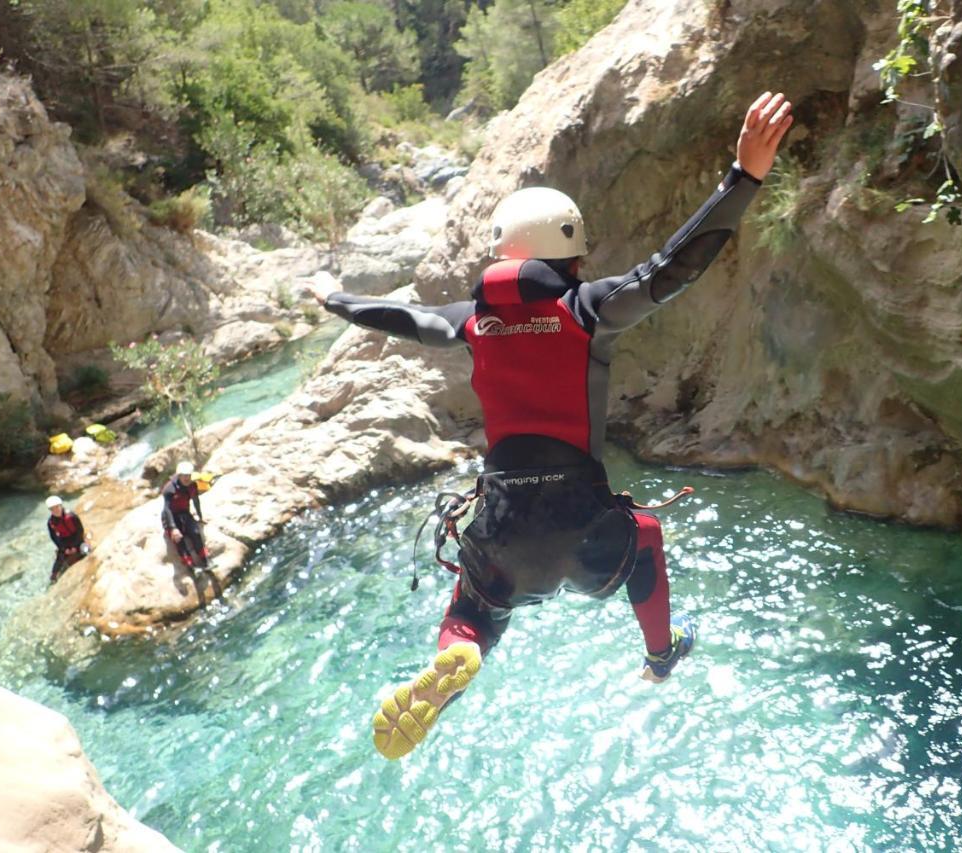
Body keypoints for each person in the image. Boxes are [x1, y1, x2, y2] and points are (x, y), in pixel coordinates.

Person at [311, 91, 795, 760]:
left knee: (476, 607)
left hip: (505, 519)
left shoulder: (471, 319)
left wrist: (337, 299)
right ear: (571, 254)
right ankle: (659, 655)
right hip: (581, 520)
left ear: (503, 254)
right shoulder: (584, 307)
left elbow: (405, 318)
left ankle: (457, 658)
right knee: (645, 535)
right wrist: (742, 178)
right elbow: (674, 269)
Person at [162, 460, 209, 569]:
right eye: (184, 476)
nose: (187, 478)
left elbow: (196, 500)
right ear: (179, 476)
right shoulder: (169, 489)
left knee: (195, 533)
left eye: (188, 475)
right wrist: (173, 528)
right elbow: (167, 509)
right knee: (179, 540)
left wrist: (200, 517)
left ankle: (205, 561)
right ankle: (191, 566)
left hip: (184, 513)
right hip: (171, 517)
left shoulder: (192, 485)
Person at [46, 495, 92, 583]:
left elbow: (80, 531)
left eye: (57, 507)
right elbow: (54, 537)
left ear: (61, 506)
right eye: (53, 509)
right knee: (60, 558)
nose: (56, 510)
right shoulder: (51, 522)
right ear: (50, 510)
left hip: (76, 538)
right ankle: (53, 576)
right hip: (64, 540)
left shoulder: (71, 516)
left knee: (86, 551)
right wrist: (64, 548)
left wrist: (75, 546)